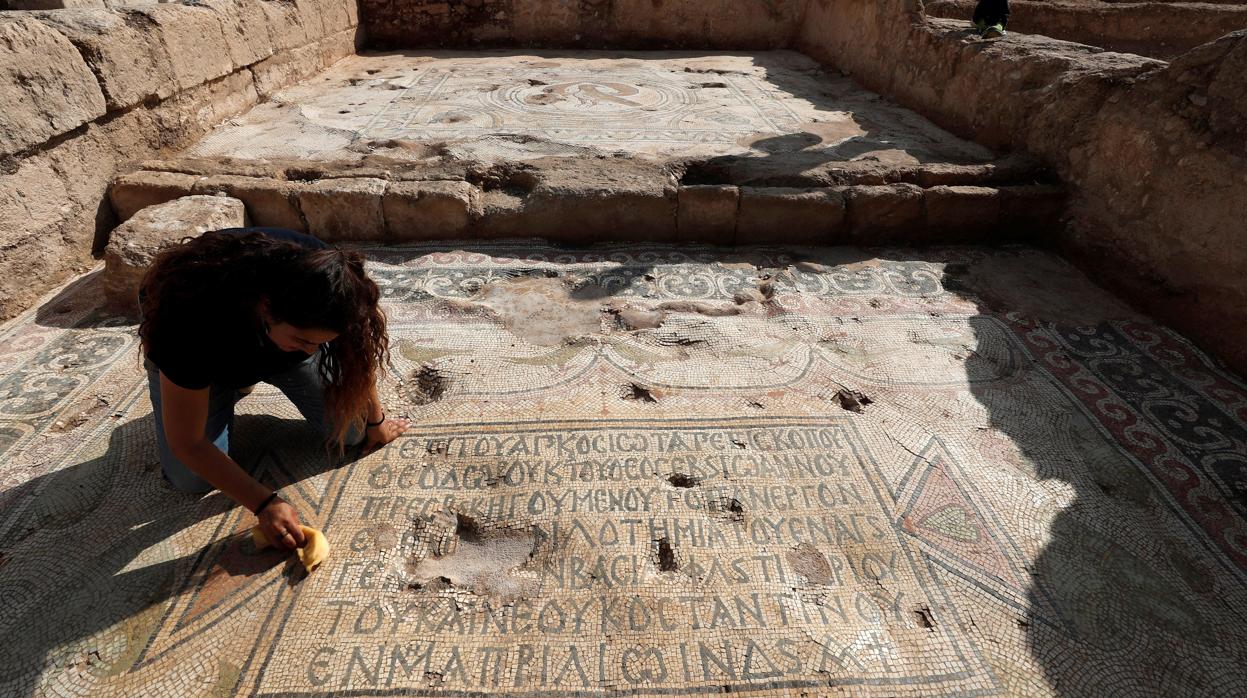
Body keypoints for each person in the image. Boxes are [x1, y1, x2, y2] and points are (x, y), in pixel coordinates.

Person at [138, 227, 410, 551]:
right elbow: (188, 444)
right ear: (266, 308)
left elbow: (357, 357)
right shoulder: (188, 320)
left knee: (352, 433)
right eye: (303, 340)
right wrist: (265, 503)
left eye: (320, 343)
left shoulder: (330, 283)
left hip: (270, 344)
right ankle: (218, 386)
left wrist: (376, 422)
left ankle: (238, 380)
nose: (312, 352)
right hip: (207, 342)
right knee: (190, 479)